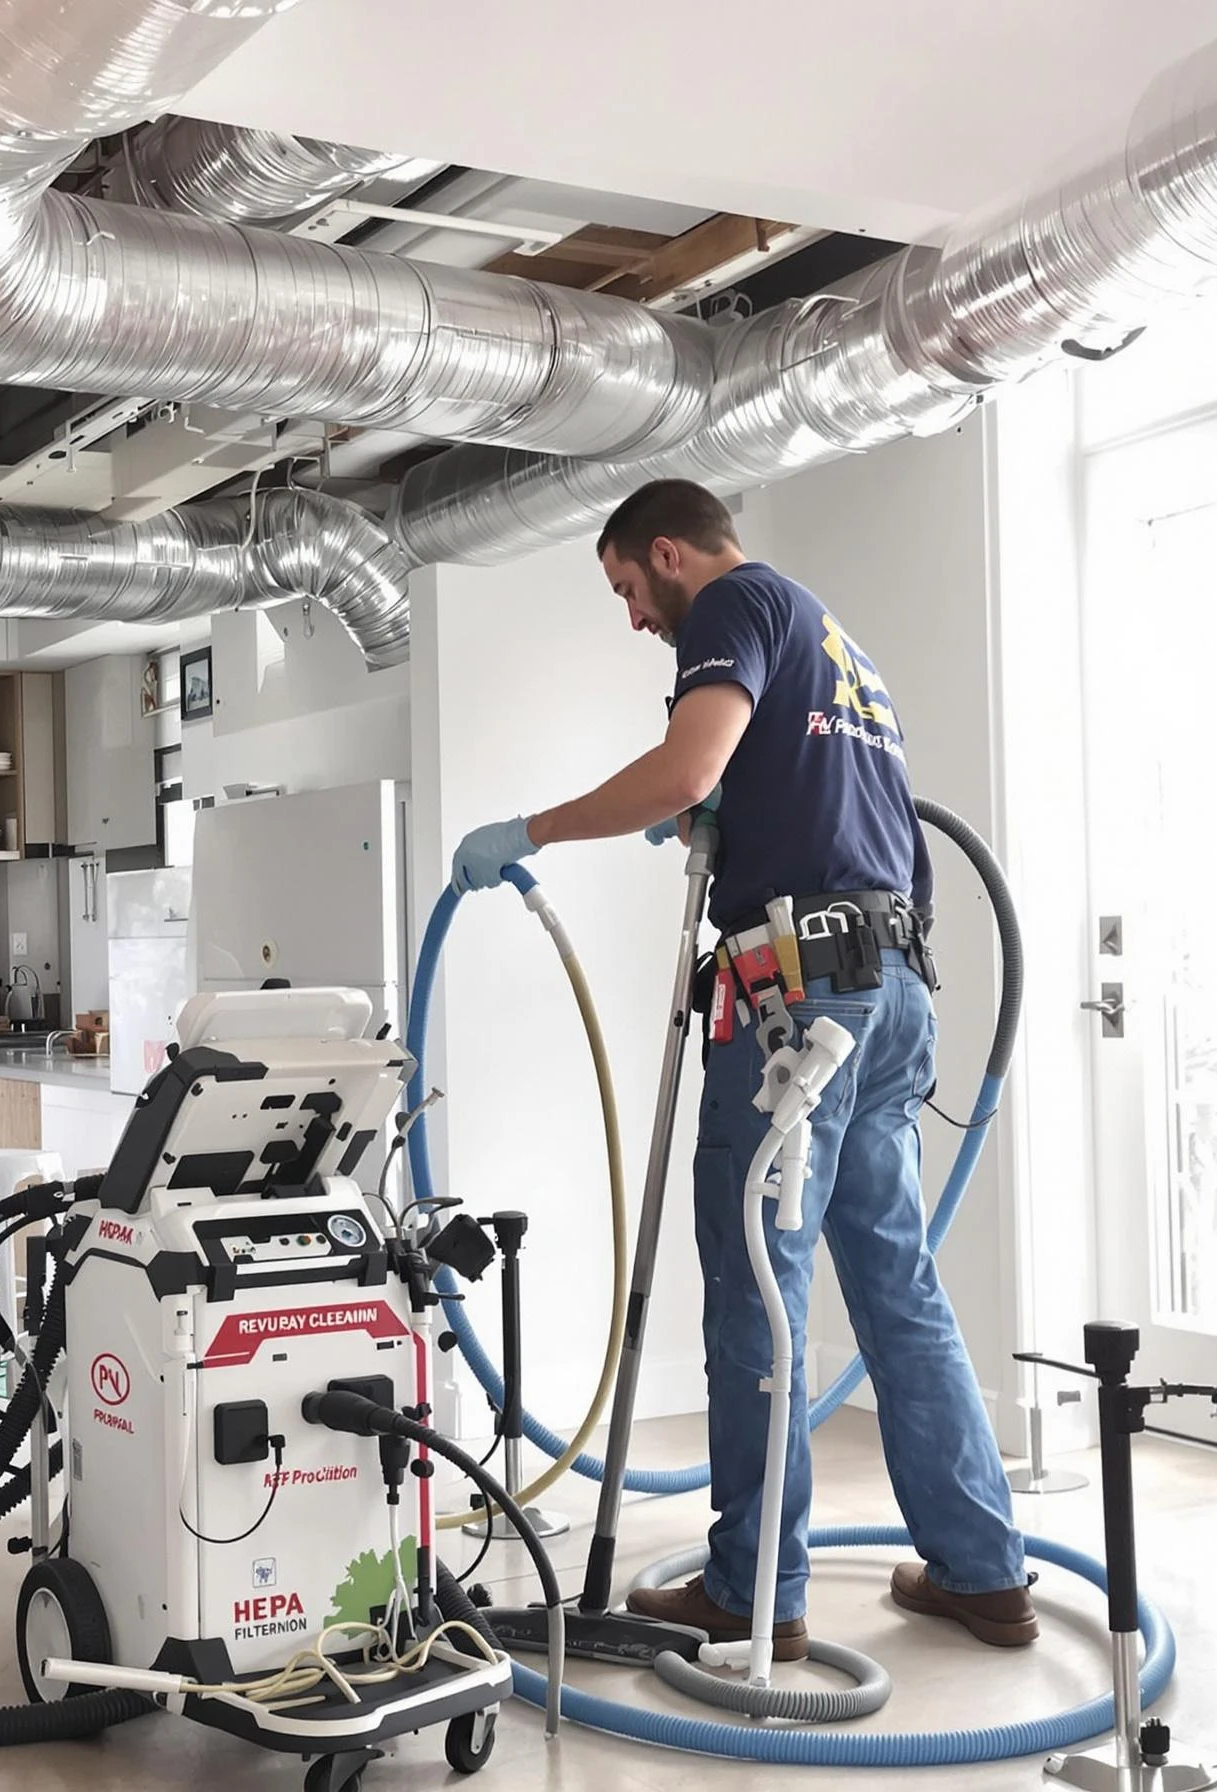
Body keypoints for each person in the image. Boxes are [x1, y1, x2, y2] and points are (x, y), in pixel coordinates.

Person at [449, 478, 1034, 1658]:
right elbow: (795, 792)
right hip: (890, 992)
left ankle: (755, 1589)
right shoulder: (834, 637)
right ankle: (983, 1569)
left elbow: (680, 766)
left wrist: (536, 830)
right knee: (896, 1286)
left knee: (756, 1291)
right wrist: (721, 801)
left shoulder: (732, 606)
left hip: (794, 1005)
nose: (633, 620)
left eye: (626, 588)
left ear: (668, 553)